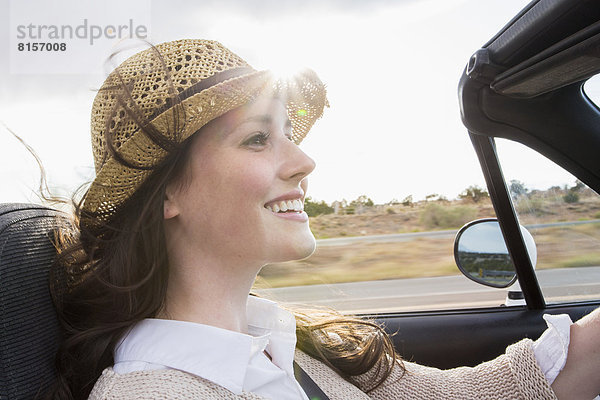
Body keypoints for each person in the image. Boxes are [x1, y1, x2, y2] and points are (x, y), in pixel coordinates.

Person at [46, 39, 600, 400]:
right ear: (168, 192)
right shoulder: (153, 394)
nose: (304, 162)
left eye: (289, 133)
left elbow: (469, 394)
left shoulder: (285, 343)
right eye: (258, 138)